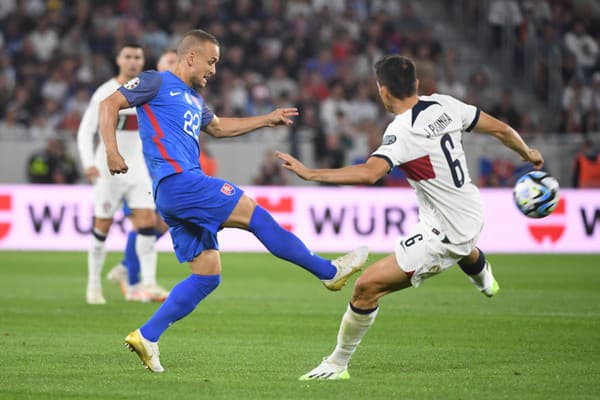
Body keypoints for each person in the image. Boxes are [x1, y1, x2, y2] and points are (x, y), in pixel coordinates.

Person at [98, 29, 368, 373]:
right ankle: (329, 272)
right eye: (211, 62)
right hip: (181, 182)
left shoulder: (194, 100)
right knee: (259, 218)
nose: (213, 69)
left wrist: (266, 120)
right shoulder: (156, 81)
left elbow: (221, 127)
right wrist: (111, 150)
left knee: (207, 275)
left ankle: (147, 336)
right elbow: (110, 104)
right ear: (191, 57)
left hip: (174, 193)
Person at [276, 55, 544, 380]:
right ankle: (484, 278)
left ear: (383, 91)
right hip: (468, 208)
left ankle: (336, 364)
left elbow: (368, 174)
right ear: (417, 85)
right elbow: (500, 129)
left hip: (446, 230)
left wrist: (310, 173)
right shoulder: (445, 104)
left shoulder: (403, 131)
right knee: (463, 245)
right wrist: (527, 152)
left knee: (365, 288)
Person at [77, 44, 168, 305]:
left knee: (147, 223)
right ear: (118, 59)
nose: (132, 62)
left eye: (137, 57)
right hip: (107, 172)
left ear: (143, 61)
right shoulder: (105, 93)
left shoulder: (149, 91)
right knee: (101, 227)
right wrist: (88, 163)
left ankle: (147, 284)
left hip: (139, 170)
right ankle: (93, 286)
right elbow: (85, 131)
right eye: (127, 56)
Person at [106, 49, 181, 302]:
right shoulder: (149, 88)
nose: (174, 66)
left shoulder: (178, 95)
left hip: (160, 171)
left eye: (176, 62)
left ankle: (126, 268)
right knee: (145, 222)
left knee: (162, 223)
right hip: (138, 171)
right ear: (157, 66)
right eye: (169, 62)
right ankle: (140, 283)